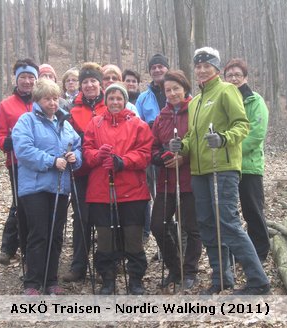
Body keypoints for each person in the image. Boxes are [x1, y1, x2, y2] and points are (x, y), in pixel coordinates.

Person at [169, 47, 270, 295]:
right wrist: (182, 145)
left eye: (207, 65)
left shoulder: (227, 90)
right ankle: (222, 277)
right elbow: (193, 135)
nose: (202, 70)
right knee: (206, 225)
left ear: (216, 67)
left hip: (223, 167)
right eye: (199, 66)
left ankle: (258, 280)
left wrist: (224, 139)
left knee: (228, 223)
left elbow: (242, 125)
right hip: (200, 170)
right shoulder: (196, 101)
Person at [12, 78, 82, 295]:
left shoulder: (65, 123)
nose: (52, 103)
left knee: (56, 234)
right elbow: (23, 150)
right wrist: (51, 161)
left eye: (55, 98)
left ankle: (51, 280)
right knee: (39, 233)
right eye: (47, 99)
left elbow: (78, 147)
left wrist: (74, 157)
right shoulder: (27, 121)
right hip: (34, 188)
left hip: (60, 188)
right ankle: (32, 283)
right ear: (37, 100)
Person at [83, 83, 153, 295]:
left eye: (119, 98)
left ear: (125, 101)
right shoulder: (94, 123)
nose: (115, 102)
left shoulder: (138, 124)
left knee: (133, 237)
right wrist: (99, 155)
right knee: (105, 238)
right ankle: (107, 279)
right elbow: (86, 151)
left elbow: (145, 153)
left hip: (132, 190)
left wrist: (123, 161)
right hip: (101, 190)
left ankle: (135, 280)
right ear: (106, 101)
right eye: (111, 98)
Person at [150, 70, 202, 290]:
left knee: (191, 227)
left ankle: (190, 270)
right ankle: (175, 267)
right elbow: (151, 147)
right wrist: (162, 158)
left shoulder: (195, 110)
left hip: (190, 179)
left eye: (175, 89)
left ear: (185, 88)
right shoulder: (162, 117)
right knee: (157, 224)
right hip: (165, 180)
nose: (172, 93)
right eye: (167, 90)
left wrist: (184, 157)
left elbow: (200, 143)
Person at [62, 62, 107, 283]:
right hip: (81, 172)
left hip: (104, 171)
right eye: (85, 82)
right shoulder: (73, 110)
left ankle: (104, 264)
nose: (89, 85)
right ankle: (78, 264)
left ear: (100, 84)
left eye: (93, 81)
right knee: (81, 218)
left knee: (104, 218)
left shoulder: (110, 105)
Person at [224, 58, 270, 262]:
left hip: (248, 166)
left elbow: (256, 134)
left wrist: (230, 151)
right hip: (227, 167)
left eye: (237, 75)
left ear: (245, 77)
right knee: (230, 213)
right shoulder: (224, 99)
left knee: (252, 210)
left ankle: (260, 252)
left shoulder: (255, 101)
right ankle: (240, 252)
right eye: (230, 75)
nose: (234, 79)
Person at [0, 58, 38, 266]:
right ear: (17, 79)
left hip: (40, 164)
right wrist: (7, 142)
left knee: (34, 207)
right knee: (20, 205)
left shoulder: (41, 102)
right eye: (23, 77)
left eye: (31, 77)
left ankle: (31, 246)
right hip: (17, 164)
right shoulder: (6, 105)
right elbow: (0, 134)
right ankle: (20, 249)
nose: (27, 81)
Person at [135, 54, 170, 242]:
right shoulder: (143, 98)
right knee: (157, 196)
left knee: (176, 198)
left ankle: (179, 239)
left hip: (176, 150)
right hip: (153, 152)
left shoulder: (176, 90)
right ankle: (162, 243)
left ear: (167, 68)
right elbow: (138, 125)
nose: (157, 70)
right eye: (153, 67)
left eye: (160, 67)